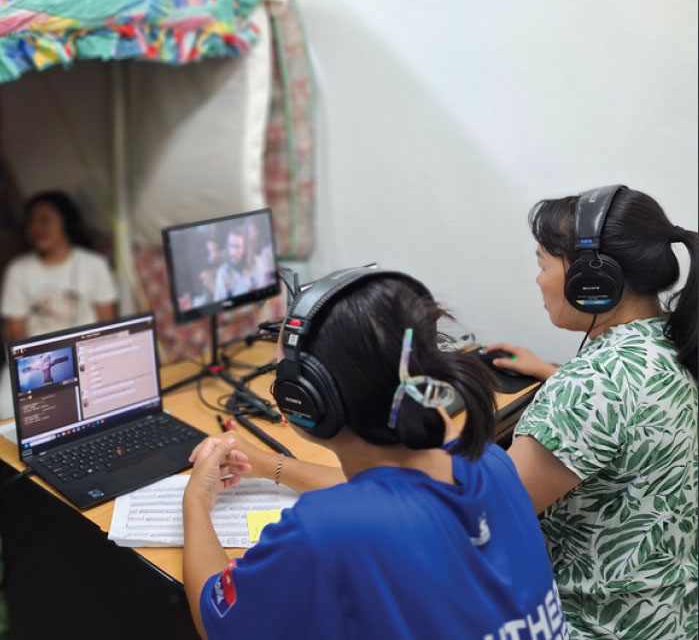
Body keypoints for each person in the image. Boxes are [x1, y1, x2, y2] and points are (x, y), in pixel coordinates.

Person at [182, 268, 568, 639]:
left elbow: (216, 620)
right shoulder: (490, 461)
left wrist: (196, 500)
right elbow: (391, 495)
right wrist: (272, 465)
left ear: (305, 398)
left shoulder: (325, 531)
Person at [481, 186, 698, 638]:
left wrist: (291, 468)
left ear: (592, 281)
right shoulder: (673, 342)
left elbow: (481, 518)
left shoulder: (593, 384)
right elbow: (629, 402)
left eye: (542, 264)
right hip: (668, 615)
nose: (538, 280)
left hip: (589, 624)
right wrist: (549, 371)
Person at [0, 191, 117, 421]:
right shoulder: (18, 270)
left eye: (45, 220)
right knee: (7, 413)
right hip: (34, 361)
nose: (37, 228)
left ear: (66, 222)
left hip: (88, 356)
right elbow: (15, 333)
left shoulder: (94, 265)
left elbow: (107, 325)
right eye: (31, 222)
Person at [212, 226, 254, 301]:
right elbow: (220, 306)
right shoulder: (222, 273)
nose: (233, 253)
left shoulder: (257, 264)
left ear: (245, 248)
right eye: (230, 246)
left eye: (237, 247)